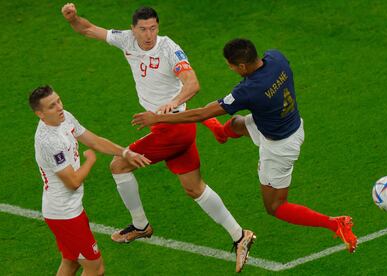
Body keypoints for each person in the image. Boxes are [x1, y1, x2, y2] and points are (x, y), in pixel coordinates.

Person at [61, 4, 254, 272]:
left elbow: (192, 83)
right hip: (174, 129)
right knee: (194, 188)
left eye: (153, 28)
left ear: (158, 27)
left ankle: (140, 225)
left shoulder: (168, 49)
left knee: (119, 165)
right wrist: (72, 18)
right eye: (143, 29)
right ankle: (239, 234)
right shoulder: (126, 40)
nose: (148, 34)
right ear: (133, 29)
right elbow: (88, 29)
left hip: (172, 127)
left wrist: (170, 105)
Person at [132, 38, 358, 253]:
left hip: (280, 146)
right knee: (238, 123)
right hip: (284, 120)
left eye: (231, 67)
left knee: (275, 206)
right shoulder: (276, 58)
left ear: (241, 66)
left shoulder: (249, 91)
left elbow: (202, 112)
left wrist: (158, 118)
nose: (231, 70)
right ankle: (221, 133)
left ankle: (334, 224)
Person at [30, 85, 151, 276]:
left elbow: (93, 140)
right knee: (96, 269)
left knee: (71, 262)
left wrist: (125, 152)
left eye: (59, 101)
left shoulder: (65, 117)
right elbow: (73, 182)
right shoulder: (48, 141)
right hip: (64, 213)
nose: (59, 107)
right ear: (40, 114)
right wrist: (91, 161)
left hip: (68, 209)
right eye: (52, 106)